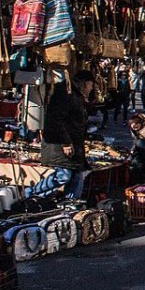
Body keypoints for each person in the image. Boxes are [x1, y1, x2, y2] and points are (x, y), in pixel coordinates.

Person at [40, 70, 95, 199]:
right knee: (64, 175)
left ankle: (71, 204)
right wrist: (65, 142)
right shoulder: (67, 95)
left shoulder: (74, 95)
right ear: (86, 84)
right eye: (91, 85)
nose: (92, 88)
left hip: (72, 145)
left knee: (77, 176)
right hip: (59, 145)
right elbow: (56, 120)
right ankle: (31, 194)